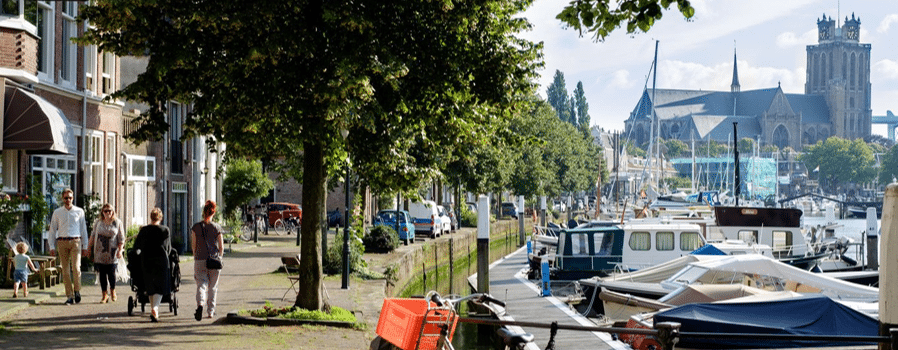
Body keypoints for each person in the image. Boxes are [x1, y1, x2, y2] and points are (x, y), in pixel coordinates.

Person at [48, 188, 89, 305]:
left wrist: (85, 246)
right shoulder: (57, 212)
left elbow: (83, 229)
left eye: (70, 198)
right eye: (66, 198)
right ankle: (69, 296)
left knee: (76, 268)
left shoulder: (79, 211)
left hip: (76, 242)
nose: (68, 200)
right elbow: (52, 230)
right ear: (62, 198)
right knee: (65, 271)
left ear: (73, 198)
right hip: (62, 242)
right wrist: (51, 246)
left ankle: (77, 290)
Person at [133, 208, 172, 322]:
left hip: (147, 260)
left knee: (150, 285)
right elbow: (168, 248)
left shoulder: (144, 230)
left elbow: (137, 247)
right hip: (161, 260)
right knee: (159, 286)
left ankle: (154, 310)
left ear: (150, 217)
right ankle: (155, 308)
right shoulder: (165, 230)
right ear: (160, 217)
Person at [191, 200, 223, 321]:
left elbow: (193, 246)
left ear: (203, 212)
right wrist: (219, 257)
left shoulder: (195, 227)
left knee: (201, 284)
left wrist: (196, 256)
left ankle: (200, 305)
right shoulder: (216, 227)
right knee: (213, 287)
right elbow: (221, 246)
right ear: (213, 213)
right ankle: (210, 311)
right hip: (214, 260)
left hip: (199, 259)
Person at [87, 203, 126, 303]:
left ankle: (113, 290)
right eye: (105, 211)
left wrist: (120, 250)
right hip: (99, 252)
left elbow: (121, 238)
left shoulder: (117, 223)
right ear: (102, 212)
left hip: (112, 253)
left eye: (110, 210)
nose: (108, 213)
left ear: (113, 212)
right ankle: (104, 294)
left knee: (111, 273)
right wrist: (88, 248)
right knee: (102, 274)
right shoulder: (98, 223)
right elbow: (92, 236)